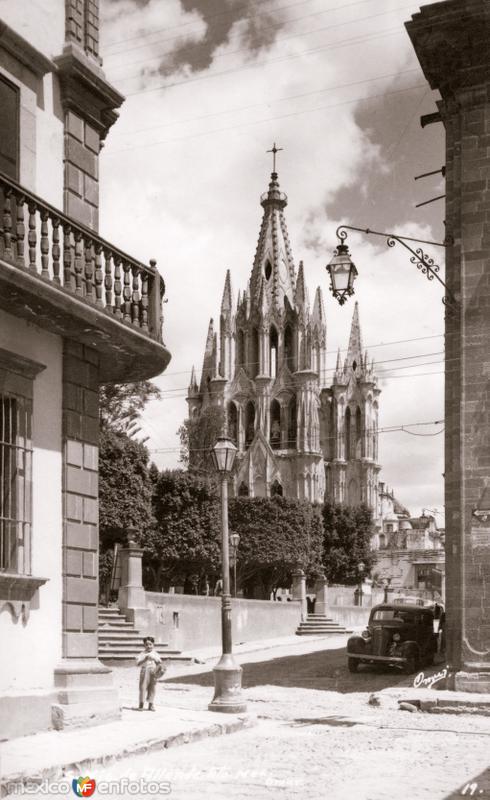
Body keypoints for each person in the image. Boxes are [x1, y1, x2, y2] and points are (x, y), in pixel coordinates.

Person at [136, 636, 162, 711]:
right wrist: (145, 659)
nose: (148, 646)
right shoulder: (142, 654)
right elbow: (138, 664)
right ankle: (141, 704)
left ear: (153, 645)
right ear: (144, 645)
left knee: (152, 688)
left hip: (153, 671)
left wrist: (155, 659)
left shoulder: (156, 654)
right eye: (146, 644)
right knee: (142, 688)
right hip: (144, 671)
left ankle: (151, 704)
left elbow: (160, 662)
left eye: (150, 644)